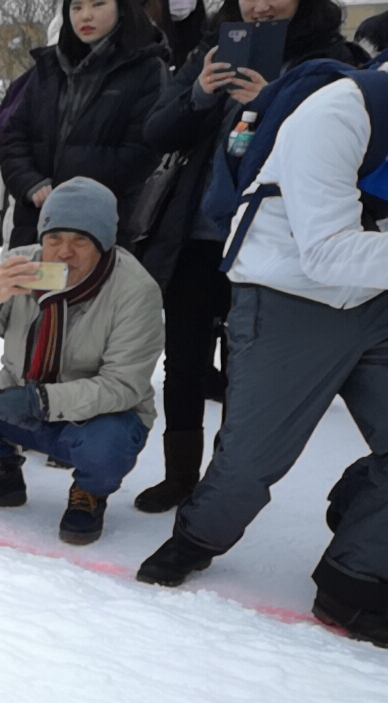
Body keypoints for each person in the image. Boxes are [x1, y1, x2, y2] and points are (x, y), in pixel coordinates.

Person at [135, 74, 388, 647]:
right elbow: (327, 253)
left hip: (377, 297)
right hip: (288, 293)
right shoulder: (341, 111)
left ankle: (357, 575)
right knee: (252, 461)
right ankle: (196, 540)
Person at [132, 0, 365, 513]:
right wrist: (198, 93)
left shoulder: (331, 61)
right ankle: (179, 476)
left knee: (247, 373)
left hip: (270, 243)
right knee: (185, 363)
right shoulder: (214, 48)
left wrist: (276, 103)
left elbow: (349, 151)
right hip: (196, 236)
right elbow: (155, 132)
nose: (262, 4)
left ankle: (220, 486)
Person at [0, 179, 160, 544]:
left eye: (80, 240)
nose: (63, 252)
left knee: (111, 441)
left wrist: (41, 402)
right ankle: (1, 474)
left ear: (103, 242)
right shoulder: (22, 264)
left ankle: (89, 493)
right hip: (18, 404)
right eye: (54, 239)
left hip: (87, 422)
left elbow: (123, 386)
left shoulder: (135, 290)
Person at [0, 0, 169, 249]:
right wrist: (29, 182)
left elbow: (142, 151)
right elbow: (13, 135)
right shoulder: (49, 66)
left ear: (122, 8)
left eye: (98, 5)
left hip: (100, 223)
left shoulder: (147, 70)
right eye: (76, 7)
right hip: (36, 222)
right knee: (34, 287)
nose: (85, 16)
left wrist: (69, 189)